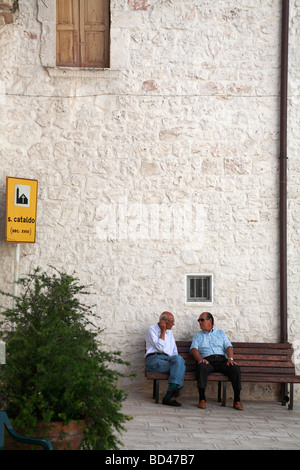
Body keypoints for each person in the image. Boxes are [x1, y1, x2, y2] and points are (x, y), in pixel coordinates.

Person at [190, 312, 243, 410]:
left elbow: (228, 347)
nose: (200, 322)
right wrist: (201, 359)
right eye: (199, 320)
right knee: (201, 367)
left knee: (235, 368)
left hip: (221, 360)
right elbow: (194, 349)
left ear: (210, 320)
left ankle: (237, 400)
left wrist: (230, 359)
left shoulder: (220, 333)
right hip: (207, 361)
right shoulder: (198, 336)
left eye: (202, 320)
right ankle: (202, 399)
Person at [145, 311, 186, 406]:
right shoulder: (151, 330)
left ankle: (169, 394)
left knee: (179, 362)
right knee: (179, 366)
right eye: (171, 321)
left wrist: (177, 362)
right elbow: (160, 347)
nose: (173, 324)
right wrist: (163, 331)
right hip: (154, 359)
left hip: (167, 360)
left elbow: (174, 351)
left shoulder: (170, 333)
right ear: (163, 321)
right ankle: (171, 394)